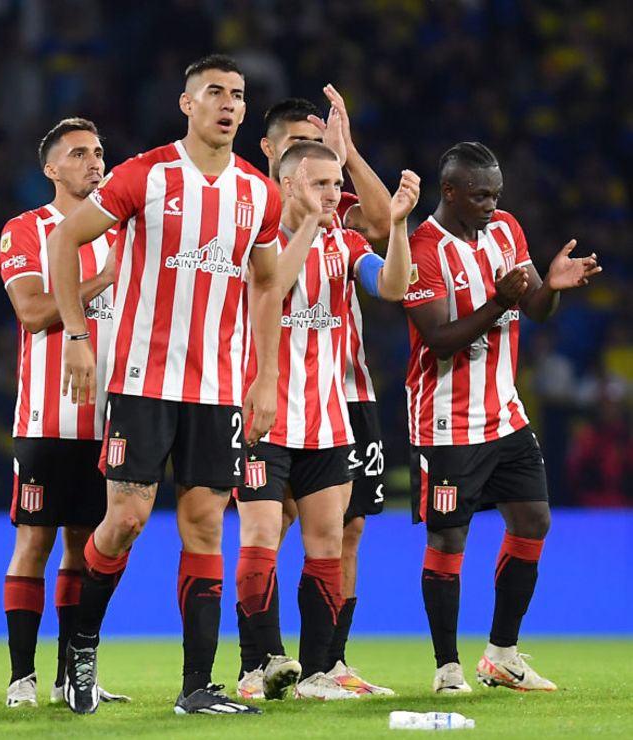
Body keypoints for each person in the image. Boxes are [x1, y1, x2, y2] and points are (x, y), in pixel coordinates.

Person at [47, 54, 288, 716]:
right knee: (124, 518)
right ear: (187, 104)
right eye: (215, 92)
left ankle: (196, 687)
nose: (229, 104)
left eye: (238, 94)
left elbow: (267, 283)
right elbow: (66, 239)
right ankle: (81, 651)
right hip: (142, 382)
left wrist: (264, 378)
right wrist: (75, 335)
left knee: (206, 524)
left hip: (215, 390)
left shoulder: (257, 194)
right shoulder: (146, 176)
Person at [403, 141, 600, 693]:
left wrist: (552, 288)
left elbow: (532, 306)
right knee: (448, 540)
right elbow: (439, 341)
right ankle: (447, 669)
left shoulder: (507, 230)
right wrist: (497, 301)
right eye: (480, 195)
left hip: (505, 414)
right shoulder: (423, 249)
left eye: (496, 194)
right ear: (449, 191)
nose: (492, 204)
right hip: (445, 420)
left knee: (534, 520)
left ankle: (502, 655)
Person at [235, 140, 418, 701]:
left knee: (328, 544)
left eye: (336, 186)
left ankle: (316, 672)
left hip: (327, 422)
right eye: (320, 185)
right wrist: (312, 228)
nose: (333, 195)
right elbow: (269, 289)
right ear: (289, 185)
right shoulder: (257, 242)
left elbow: (392, 286)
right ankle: (257, 666)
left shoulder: (346, 243)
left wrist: (402, 226)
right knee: (262, 535)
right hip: (264, 418)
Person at [0, 117, 130, 709]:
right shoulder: (27, 230)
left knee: (85, 546)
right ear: (50, 169)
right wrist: (101, 278)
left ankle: (69, 676)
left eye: (98, 152)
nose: (94, 162)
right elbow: (31, 311)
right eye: (78, 154)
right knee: (34, 543)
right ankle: (21, 678)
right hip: (48, 419)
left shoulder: (126, 228)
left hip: (114, 421)